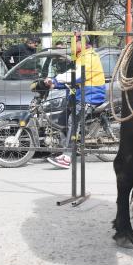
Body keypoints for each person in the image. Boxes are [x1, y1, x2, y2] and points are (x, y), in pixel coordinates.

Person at [42, 33, 106, 169]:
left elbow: (77, 76)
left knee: (74, 121)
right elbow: (71, 78)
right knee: (64, 119)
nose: (71, 45)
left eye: (73, 42)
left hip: (91, 94)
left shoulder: (89, 57)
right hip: (81, 94)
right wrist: (55, 84)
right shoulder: (80, 57)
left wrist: (55, 80)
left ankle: (67, 157)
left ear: (81, 43)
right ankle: (66, 149)